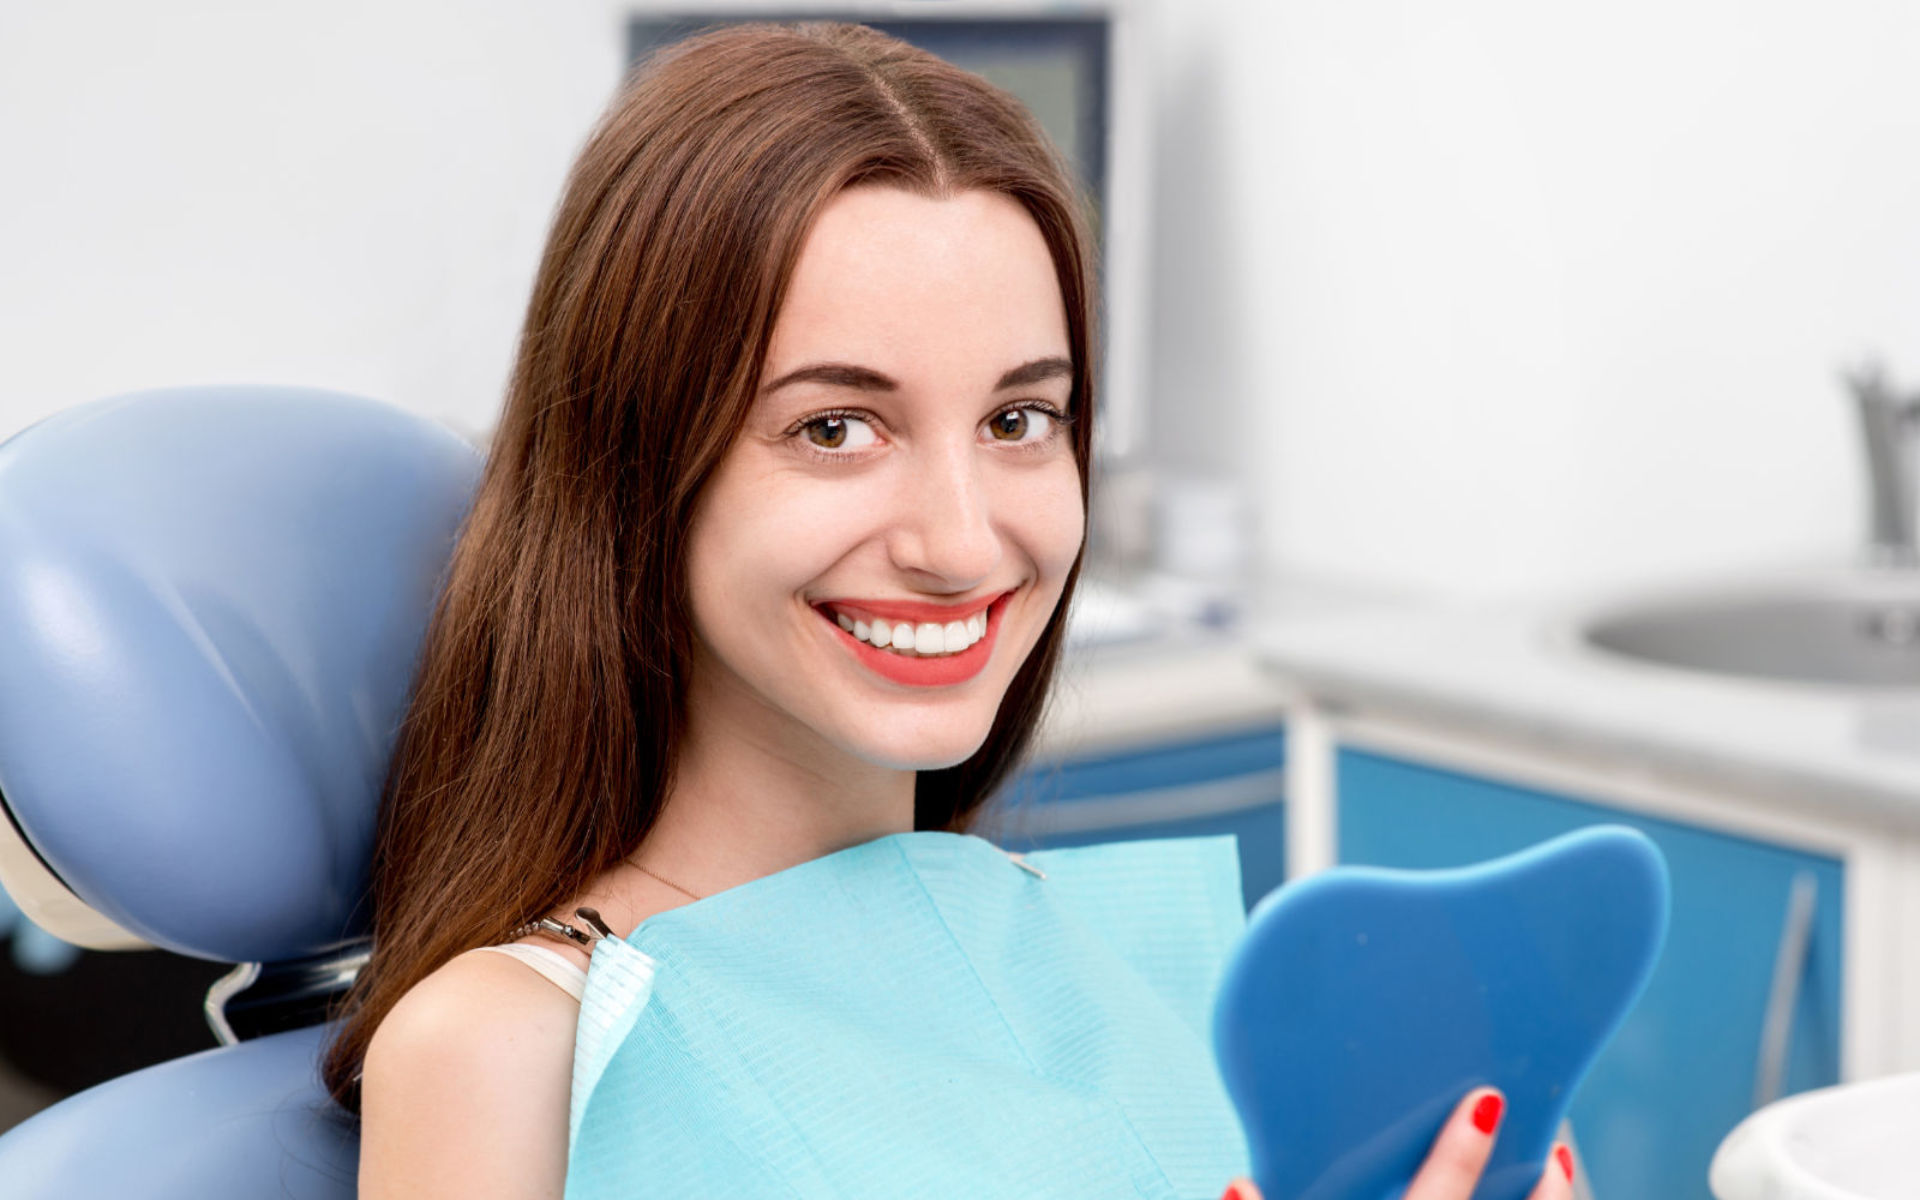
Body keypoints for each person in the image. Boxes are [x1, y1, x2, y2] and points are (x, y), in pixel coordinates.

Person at [320, 22, 1577, 1200]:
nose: (964, 542)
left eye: (1019, 420)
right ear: (635, 468)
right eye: (835, 428)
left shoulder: (1104, 967)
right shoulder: (508, 1049)